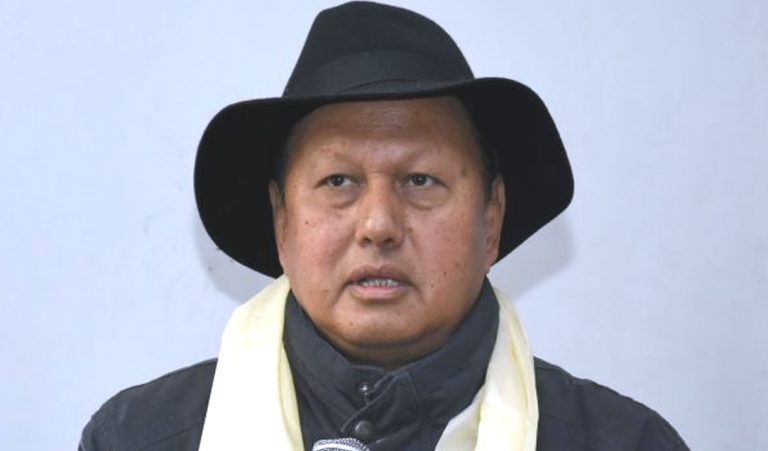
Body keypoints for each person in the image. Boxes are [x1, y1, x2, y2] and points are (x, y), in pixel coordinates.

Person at [80, 2, 689, 450]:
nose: (378, 225)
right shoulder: (139, 438)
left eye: (420, 180)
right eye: (338, 181)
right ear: (282, 221)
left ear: (491, 219)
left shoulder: (623, 442)